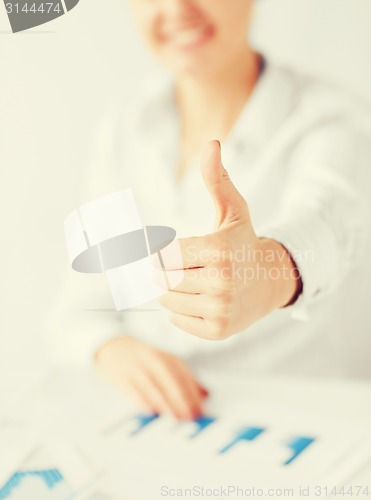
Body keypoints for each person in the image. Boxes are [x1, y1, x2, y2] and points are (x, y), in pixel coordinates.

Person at [45, 0, 371, 421]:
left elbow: (327, 219)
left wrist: (269, 272)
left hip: (302, 424)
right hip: (160, 425)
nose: (178, 9)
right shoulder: (125, 128)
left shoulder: (335, 118)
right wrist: (108, 349)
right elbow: (77, 306)